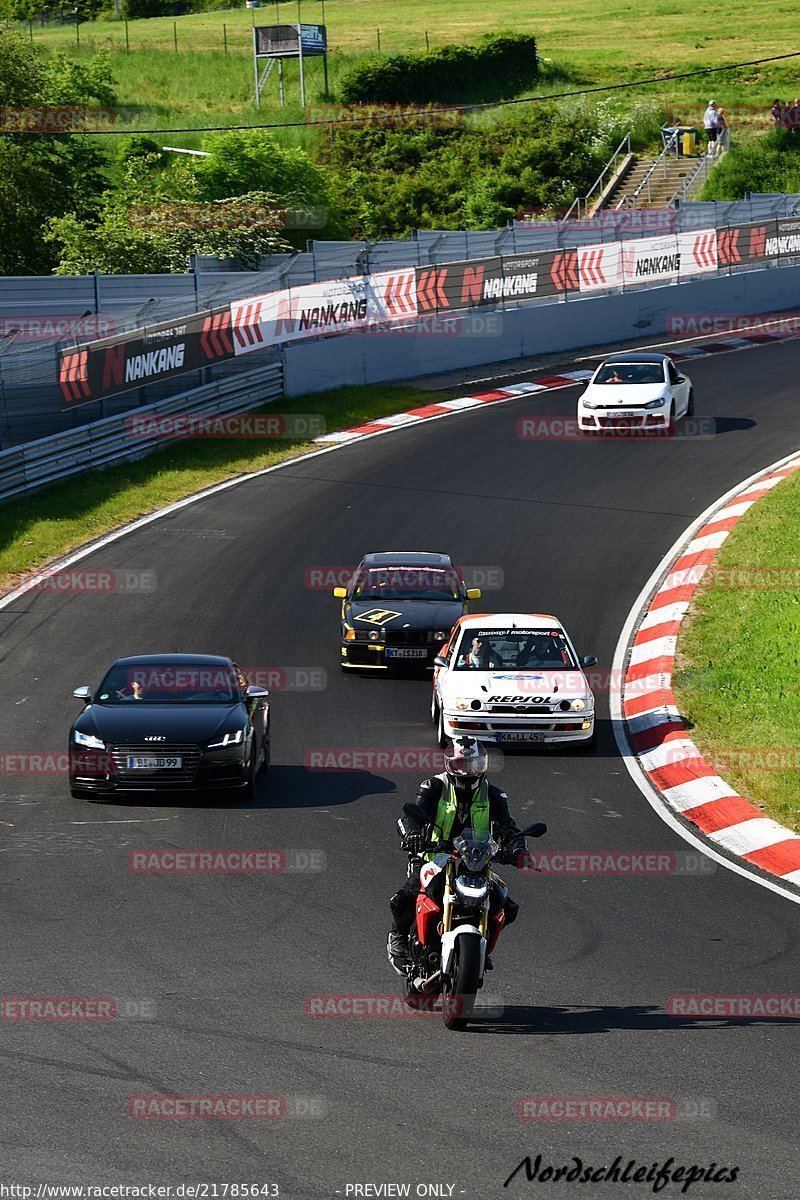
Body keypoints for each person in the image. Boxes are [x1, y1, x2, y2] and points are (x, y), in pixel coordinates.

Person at [387, 737, 528, 970]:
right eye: (462, 764)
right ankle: (399, 936)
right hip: (432, 858)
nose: (467, 770)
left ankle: (478, 946)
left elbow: (509, 828)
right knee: (404, 898)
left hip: (476, 862)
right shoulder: (434, 786)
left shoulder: (494, 794)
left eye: (473, 764)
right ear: (450, 764)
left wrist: (518, 850)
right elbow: (409, 817)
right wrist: (412, 836)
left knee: (507, 907)